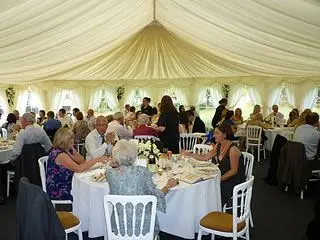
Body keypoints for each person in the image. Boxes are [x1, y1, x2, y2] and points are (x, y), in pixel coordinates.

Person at [106, 139, 178, 236]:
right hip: (144, 226)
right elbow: (156, 195)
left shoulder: (110, 174)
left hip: (120, 225)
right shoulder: (142, 172)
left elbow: (114, 169)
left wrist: (115, 163)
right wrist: (168, 185)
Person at [181, 123, 245, 205]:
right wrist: (189, 154)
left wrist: (218, 179)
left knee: (210, 188)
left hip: (233, 181)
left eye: (217, 133)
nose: (214, 135)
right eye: (215, 133)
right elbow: (205, 157)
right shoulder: (218, 145)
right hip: (223, 176)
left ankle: (212, 208)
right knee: (204, 183)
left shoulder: (233, 149)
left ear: (224, 135)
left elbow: (233, 171)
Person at [46, 127, 106, 200]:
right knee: (88, 191)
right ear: (65, 140)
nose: (73, 141)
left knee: (88, 187)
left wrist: (73, 156)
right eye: (71, 139)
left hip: (69, 181)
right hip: (60, 188)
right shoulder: (60, 155)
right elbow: (79, 169)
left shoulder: (67, 148)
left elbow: (82, 161)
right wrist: (97, 160)